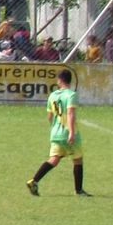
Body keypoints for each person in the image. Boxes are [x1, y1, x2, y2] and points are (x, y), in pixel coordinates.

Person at [27, 69, 90, 197]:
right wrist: (71, 132)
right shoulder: (71, 95)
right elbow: (71, 113)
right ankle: (78, 190)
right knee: (78, 159)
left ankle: (34, 181)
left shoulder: (53, 95)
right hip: (68, 132)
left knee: (54, 159)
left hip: (56, 132)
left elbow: (49, 116)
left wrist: (55, 127)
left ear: (60, 80)